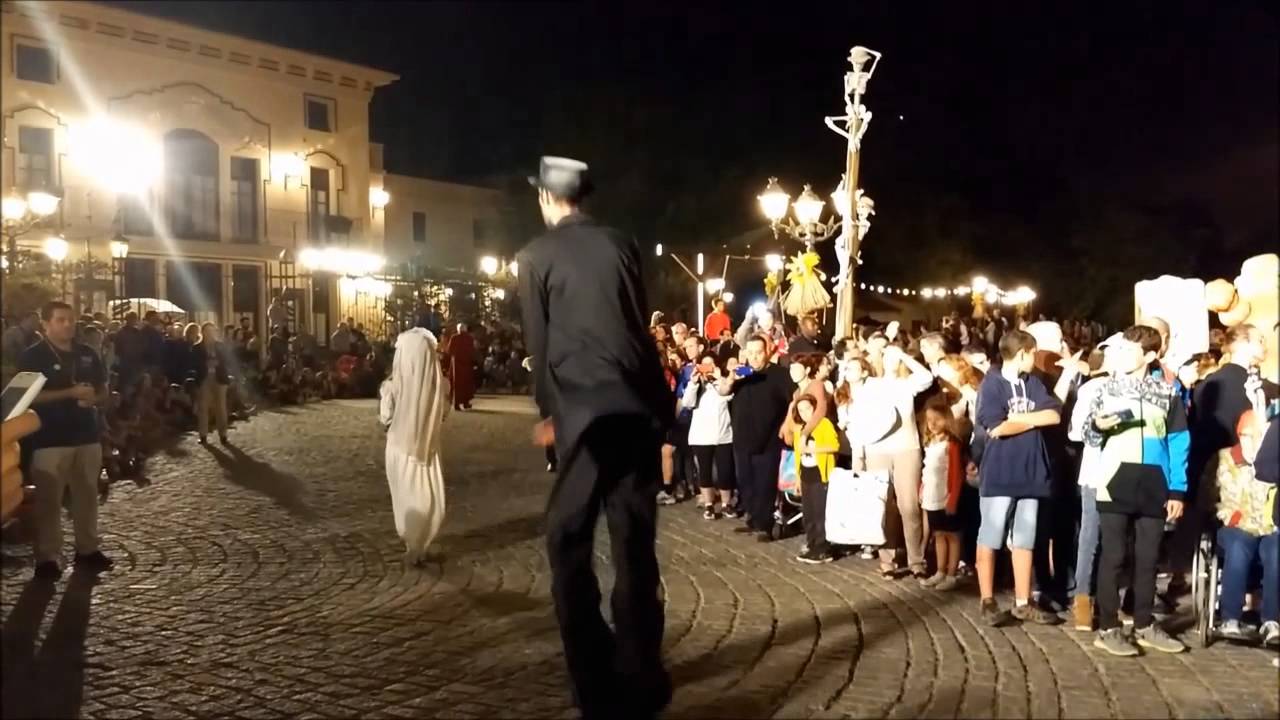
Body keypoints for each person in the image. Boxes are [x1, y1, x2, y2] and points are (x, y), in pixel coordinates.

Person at [517, 155, 672, 719]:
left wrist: (548, 411)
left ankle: (594, 678)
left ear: (545, 199)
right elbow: (638, 320)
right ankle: (642, 671)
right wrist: (661, 413)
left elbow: (539, 343)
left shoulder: (535, 255)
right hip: (634, 406)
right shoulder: (622, 244)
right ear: (582, 196)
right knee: (633, 542)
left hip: (583, 410)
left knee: (567, 540)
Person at [1082, 325, 1189, 656]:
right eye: (1122, 349)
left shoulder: (1168, 392)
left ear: (1151, 355)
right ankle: (1108, 627)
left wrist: (1177, 490)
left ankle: (1144, 624)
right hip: (1115, 481)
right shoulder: (1105, 389)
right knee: (1113, 556)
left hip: (1155, 485)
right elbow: (1087, 435)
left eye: (1131, 350)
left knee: (1148, 559)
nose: (1123, 355)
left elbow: (1179, 441)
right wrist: (1098, 426)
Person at [973, 329, 1063, 626]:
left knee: (1025, 538)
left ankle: (1023, 601)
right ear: (1022, 353)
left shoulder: (1033, 382)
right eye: (1032, 352)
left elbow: (1053, 415)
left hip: (1031, 472)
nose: (1035, 358)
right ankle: (987, 600)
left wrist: (1017, 421)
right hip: (1000, 472)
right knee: (991, 535)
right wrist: (1027, 421)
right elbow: (995, 426)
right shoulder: (992, 384)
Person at [18, 302, 112, 580]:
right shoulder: (32, 356)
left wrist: (96, 397)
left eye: (71, 320)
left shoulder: (87, 353)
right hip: (49, 438)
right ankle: (47, 556)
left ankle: (87, 549)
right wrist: (69, 392)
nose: (68, 325)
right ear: (46, 324)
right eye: (61, 320)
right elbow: (27, 397)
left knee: (86, 496)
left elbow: (104, 386)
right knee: (49, 500)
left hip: (86, 435)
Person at [379, 327, 451, 566]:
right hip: (427, 448)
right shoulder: (438, 388)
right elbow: (443, 414)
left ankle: (413, 544)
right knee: (426, 495)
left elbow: (385, 417)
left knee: (406, 496)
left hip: (400, 447)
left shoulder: (393, 386)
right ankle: (419, 543)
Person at [1212, 409, 1278, 644]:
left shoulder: (1272, 463)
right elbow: (1213, 500)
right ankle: (1230, 617)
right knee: (1239, 545)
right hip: (1235, 525)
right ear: (1239, 435)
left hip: (1269, 528)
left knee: (1276, 550)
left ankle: (1271, 620)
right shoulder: (1225, 458)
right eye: (1246, 435)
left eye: (1258, 436)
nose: (1252, 442)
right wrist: (1231, 517)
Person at [724, 334, 794, 541]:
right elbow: (723, 391)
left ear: (768, 351)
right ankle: (753, 519)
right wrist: (730, 379)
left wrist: (787, 423)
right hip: (742, 438)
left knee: (765, 483)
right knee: (746, 482)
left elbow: (794, 398)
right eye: (751, 352)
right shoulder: (741, 374)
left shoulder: (779, 374)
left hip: (769, 439)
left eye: (758, 352)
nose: (754, 357)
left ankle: (765, 525)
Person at [783, 394, 840, 564]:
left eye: (808, 408)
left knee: (820, 513)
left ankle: (822, 547)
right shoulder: (800, 429)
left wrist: (813, 449)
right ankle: (812, 542)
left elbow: (835, 445)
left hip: (821, 475)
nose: (805, 413)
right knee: (809, 513)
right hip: (806, 475)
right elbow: (798, 455)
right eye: (801, 410)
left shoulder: (824, 424)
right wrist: (798, 480)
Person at [683, 354, 736, 519]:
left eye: (710, 365)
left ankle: (727, 504)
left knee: (725, 471)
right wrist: (693, 382)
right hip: (701, 436)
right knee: (704, 472)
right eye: (703, 365)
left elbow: (727, 394)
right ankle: (709, 504)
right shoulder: (697, 386)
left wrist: (718, 378)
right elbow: (687, 403)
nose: (707, 369)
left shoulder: (722, 382)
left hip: (723, 435)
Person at [919, 403, 966, 591]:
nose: (932, 424)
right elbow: (926, 470)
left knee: (952, 536)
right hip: (931, 496)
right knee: (938, 534)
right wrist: (921, 490)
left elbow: (956, 474)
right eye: (929, 420)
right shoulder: (930, 443)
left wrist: (952, 499)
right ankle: (940, 570)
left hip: (946, 497)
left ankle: (951, 573)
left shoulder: (951, 444)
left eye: (937, 420)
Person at [193, 322, 231, 445]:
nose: (209, 334)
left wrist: (218, 363)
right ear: (202, 332)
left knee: (221, 407)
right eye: (207, 331)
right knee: (203, 407)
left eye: (212, 331)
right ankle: (203, 435)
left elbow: (226, 360)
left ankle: (223, 434)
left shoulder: (220, 345)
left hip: (219, 378)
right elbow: (194, 364)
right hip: (204, 378)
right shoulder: (197, 347)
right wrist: (205, 364)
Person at [444, 323, 477, 411]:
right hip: (466, 364)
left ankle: (457, 403)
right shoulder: (469, 338)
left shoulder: (455, 338)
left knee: (457, 384)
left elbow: (449, 350)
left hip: (457, 364)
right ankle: (465, 402)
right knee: (466, 383)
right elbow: (472, 350)